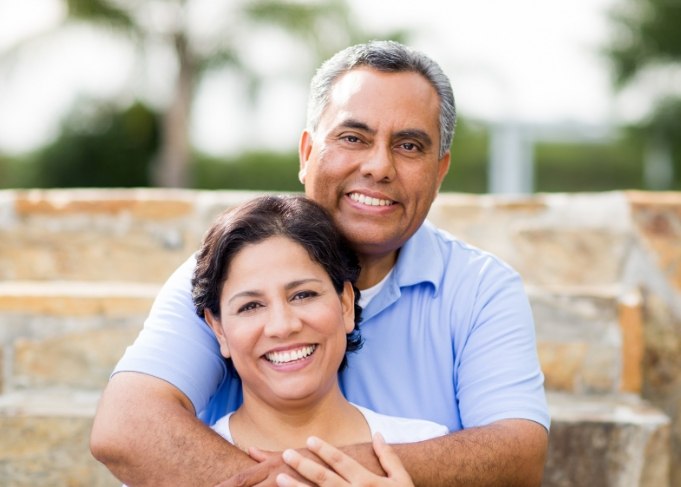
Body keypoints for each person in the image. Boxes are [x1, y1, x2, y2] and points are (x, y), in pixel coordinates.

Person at [91, 40, 550, 486]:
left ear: (440, 170)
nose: (378, 166)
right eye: (353, 137)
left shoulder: (481, 288)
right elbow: (126, 426)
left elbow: (517, 454)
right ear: (307, 153)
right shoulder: (226, 272)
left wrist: (327, 471)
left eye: (409, 146)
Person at [193, 195, 448, 486]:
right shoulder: (166, 472)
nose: (283, 326)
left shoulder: (424, 441)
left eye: (303, 295)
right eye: (250, 306)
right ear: (219, 330)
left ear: (346, 305)